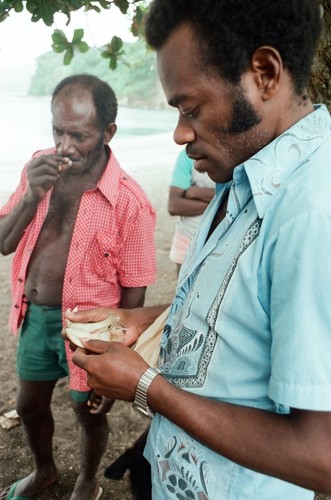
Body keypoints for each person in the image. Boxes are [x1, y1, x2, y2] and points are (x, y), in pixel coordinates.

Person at [66, 1, 331, 499]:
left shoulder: (314, 212)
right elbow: (245, 303)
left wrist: (147, 387)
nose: (181, 133)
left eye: (191, 108)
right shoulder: (244, 172)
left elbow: (322, 457)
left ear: (265, 74)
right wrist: (143, 319)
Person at [0, 74, 156, 500]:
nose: (64, 147)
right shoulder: (39, 166)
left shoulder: (130, 201)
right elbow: (3, 242)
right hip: (34, 316)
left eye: (79, 135)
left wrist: (119, 357)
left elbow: (135, 292)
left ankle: (87, 481)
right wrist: (32, 194)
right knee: (30, 407)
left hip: (89, 331)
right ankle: (45, 471)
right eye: (58, 131)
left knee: (86, 413)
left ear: (108, 133)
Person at [168, 149, 215, 275]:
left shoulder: (235, 155)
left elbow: (240, 195)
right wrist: (219, 202)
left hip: (223, 239)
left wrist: (195, 192)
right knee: (183, 291)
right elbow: (174, 205)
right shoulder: (187, 156)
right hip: (188, 237)